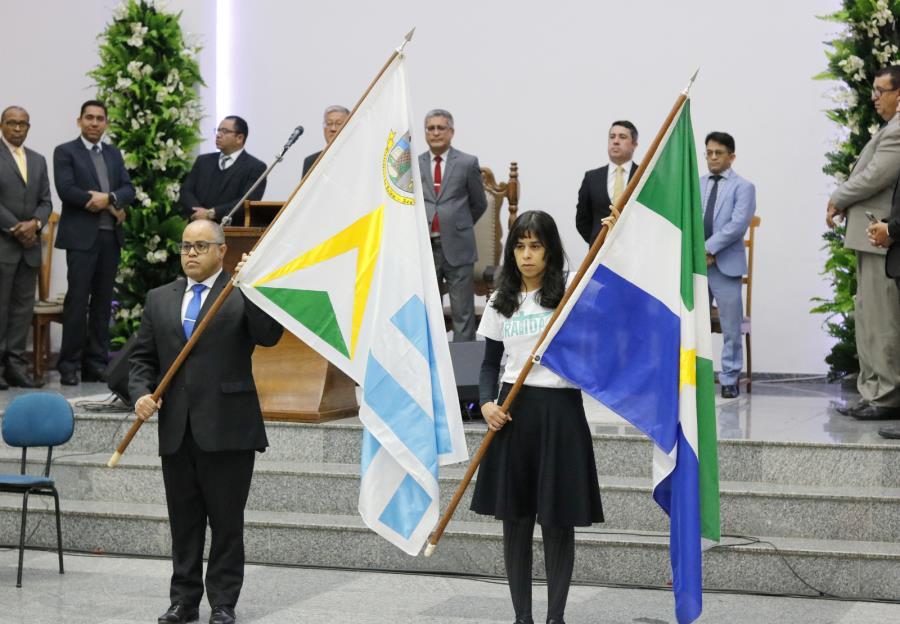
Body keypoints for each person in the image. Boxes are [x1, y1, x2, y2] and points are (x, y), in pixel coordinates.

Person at [130, 220, 282, 624]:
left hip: (228, 426)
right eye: (185, 246)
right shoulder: (160, 298)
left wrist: (253, 286)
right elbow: (142, 358)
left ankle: (223, 603)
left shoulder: (239, 291)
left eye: (200, 246)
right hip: (177, 430)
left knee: (226, 523)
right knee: (184, 522)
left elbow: (269, 335)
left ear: (222, 251)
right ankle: (183, 601)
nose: (191, 254)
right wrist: (140, 393)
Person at [471, 210, 604, 624]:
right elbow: (489, 364)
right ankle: (522, 618)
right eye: (519, 246)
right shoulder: (501, 300)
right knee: (516, 521)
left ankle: (555, 618)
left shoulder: (570, 292)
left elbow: (606, 280)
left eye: (535, 246)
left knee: (557, 520)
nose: (527, 255)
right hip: (513, 414)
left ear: (550, 250)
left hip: (560, 414)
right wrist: (486, 404)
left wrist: (613, 229)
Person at [829, 65, 900, 420]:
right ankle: (871, 389)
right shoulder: (890, 128)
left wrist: (838, 197)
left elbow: (875, 176)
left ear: (899, 94)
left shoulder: (898, 131)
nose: (874, 98)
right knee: (867, 318)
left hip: (882, 236)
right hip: (869, 235)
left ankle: (886, 394)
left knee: (881, 319)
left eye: (880, 91)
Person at [54, 100, 134, 386]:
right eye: (89, 117)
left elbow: (128, 189)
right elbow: (67, 190)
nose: (94, 123)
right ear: (79, 121)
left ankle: (96, 364)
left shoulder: (113, 153)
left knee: (102, 303)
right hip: (81, 238)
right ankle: (69, 365)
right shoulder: (65, 151)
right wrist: (108, 203)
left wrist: (109, 199)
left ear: (106, 123)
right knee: (77, 302)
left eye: (100, 118)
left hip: (110, 237)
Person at [418, 108, 487, 342]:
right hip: (425, 248)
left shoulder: (467, 162)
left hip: (459, 247)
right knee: (427, 312)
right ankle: (431, 360)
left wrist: (458, 225)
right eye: (430, 128)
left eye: (441, 128)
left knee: (462, 313)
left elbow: (479, 203)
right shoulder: (414, 164)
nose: (435, 133)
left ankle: (463, 363)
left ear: (451, 132)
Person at [701, 132, 757, 399]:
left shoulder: (743, 187)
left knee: (731, 327)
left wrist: (709, 249)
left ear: (731, 157)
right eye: (709, 152)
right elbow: (687, 219)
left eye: (718, 153)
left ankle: (729, 378)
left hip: (725, 265)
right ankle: (692, 376)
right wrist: (697, 252)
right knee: (691, 323)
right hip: (696, 265)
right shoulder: (696, 184)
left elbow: (737, 225)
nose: (712, 157)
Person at [0, 106, 52, 389]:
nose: (18, 128)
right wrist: (16, 228)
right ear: (2, 126)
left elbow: (46, 201)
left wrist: (35, 224)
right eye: (12, 123)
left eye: (23, 124)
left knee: (22, 310)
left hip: (29, 249)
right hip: (4, 245)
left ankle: (15, 367)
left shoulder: (38, 160)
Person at [178, 116, 266, 225]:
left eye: (224, 131)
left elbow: (248, 201)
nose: (218, 135)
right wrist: (199, 213)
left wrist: (212, 213)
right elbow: (186, 191)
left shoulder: (255, 167)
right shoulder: (203, 161)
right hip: (197, 227)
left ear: (239, 138)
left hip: (230, 229)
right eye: (218, 130)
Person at [575, 120, 639, 246]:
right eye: (612, 136)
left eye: (622, 137)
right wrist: (597, 241)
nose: (615, 141)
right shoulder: (592, 178)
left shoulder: (644, 176)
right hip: (600, 251)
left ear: (634, 144)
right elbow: (582, 220)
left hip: (635, 250)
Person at [302, 105, 349, 176]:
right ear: (324, 129)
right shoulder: (311, 161)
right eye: (329, 123)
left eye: (339, 123)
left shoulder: (359, 156)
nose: (333, 129)